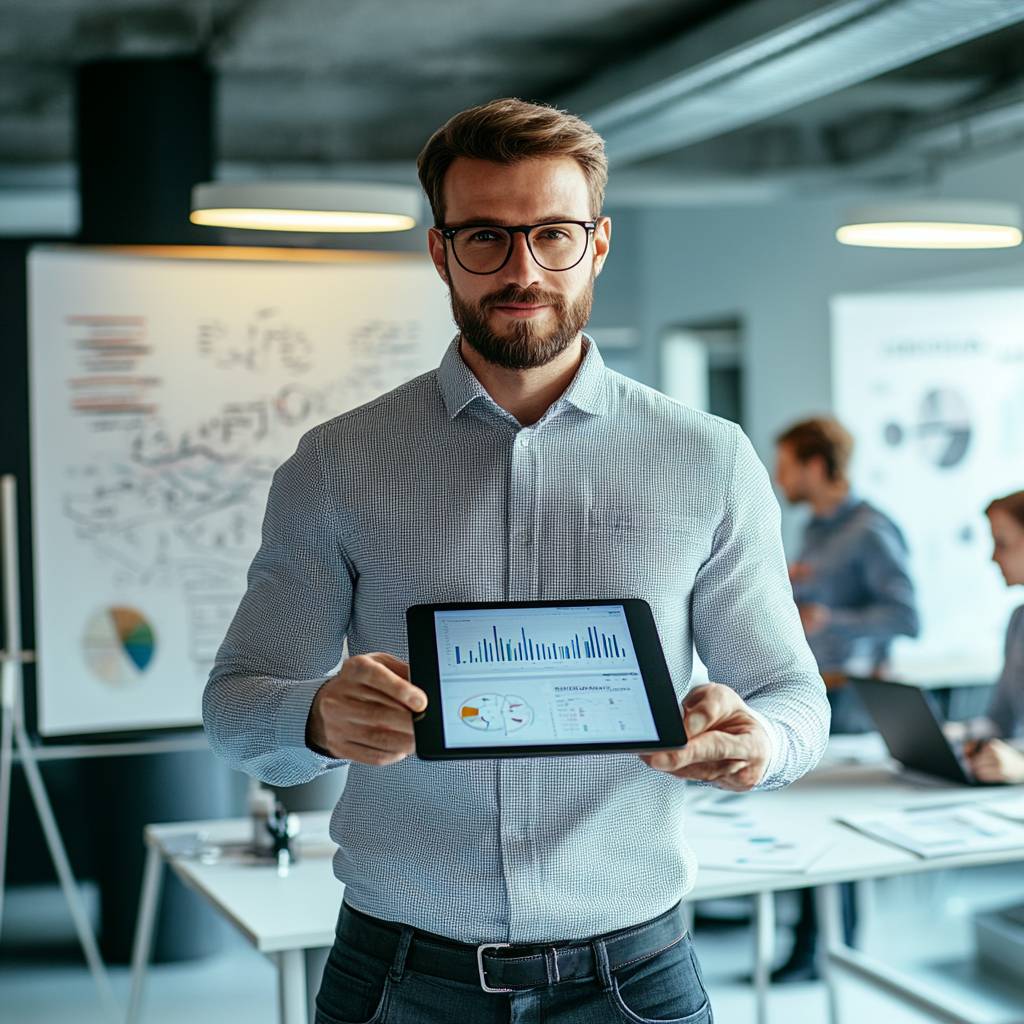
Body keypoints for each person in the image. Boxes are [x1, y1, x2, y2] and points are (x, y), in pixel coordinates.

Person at [203, 98, 830, 1024]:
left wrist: (758, 741)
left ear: (600, 243)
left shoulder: (709, 458)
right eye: (487, 238)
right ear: (439, 250)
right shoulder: (337, 464)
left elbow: (792, 696)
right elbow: (234, 709)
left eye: (553, 235)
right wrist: (316, 715)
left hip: (636, 972)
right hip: (398, 973)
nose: (524, 269)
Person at [770, 416, 920, 982]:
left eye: (786, 465)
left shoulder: (872, 529)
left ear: (815, 465)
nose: (780, 477)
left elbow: (906, 617)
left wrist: (831, 620)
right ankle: (809, 947)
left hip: (854, 701)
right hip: (812, 692)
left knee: (838, 830)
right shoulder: (813, 530)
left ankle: (837, 955)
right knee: (805, 826)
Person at [959, 490, 1024, 784]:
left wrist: (1020, 767)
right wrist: (960, 736)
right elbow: (1001, 719)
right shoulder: (1018, 622)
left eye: (1002, 544)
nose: (993, 557)